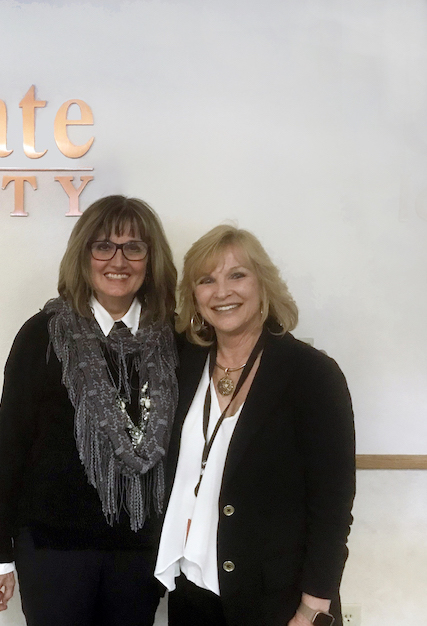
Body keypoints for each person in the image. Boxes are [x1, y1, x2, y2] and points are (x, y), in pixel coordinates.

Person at [0, 195, 179, 626]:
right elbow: (10, 447)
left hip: (142, 552)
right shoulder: (42, 336)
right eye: (103, 245)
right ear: (83, 254)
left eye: (134, 247)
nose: (118, 260)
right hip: (53, 552)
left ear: (151, 258)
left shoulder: (177, 342)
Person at [155, 225, 355, 626]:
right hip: (192, 591)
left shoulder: (311, 374)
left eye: (237, 275)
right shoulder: (182, 365)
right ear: (194, 297)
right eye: (206, 280)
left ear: (263, 285)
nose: (222, 291)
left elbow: (332, 507)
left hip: (275, 599)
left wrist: (312, 608)